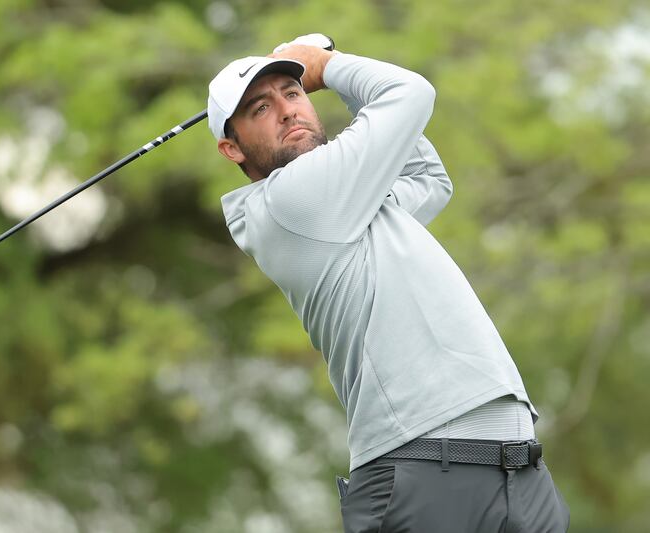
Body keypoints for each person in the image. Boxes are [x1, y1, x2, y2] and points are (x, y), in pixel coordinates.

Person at [208, 35, 570, 533]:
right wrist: (326, 66)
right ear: (232, 148)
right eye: (260, 108)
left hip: (518, 470)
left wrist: (338, 79)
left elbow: (428, 178)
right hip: (422, 472)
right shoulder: (292, 199)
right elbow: (410, 93)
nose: (287, 111)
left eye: (293, 93)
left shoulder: (347, 203)